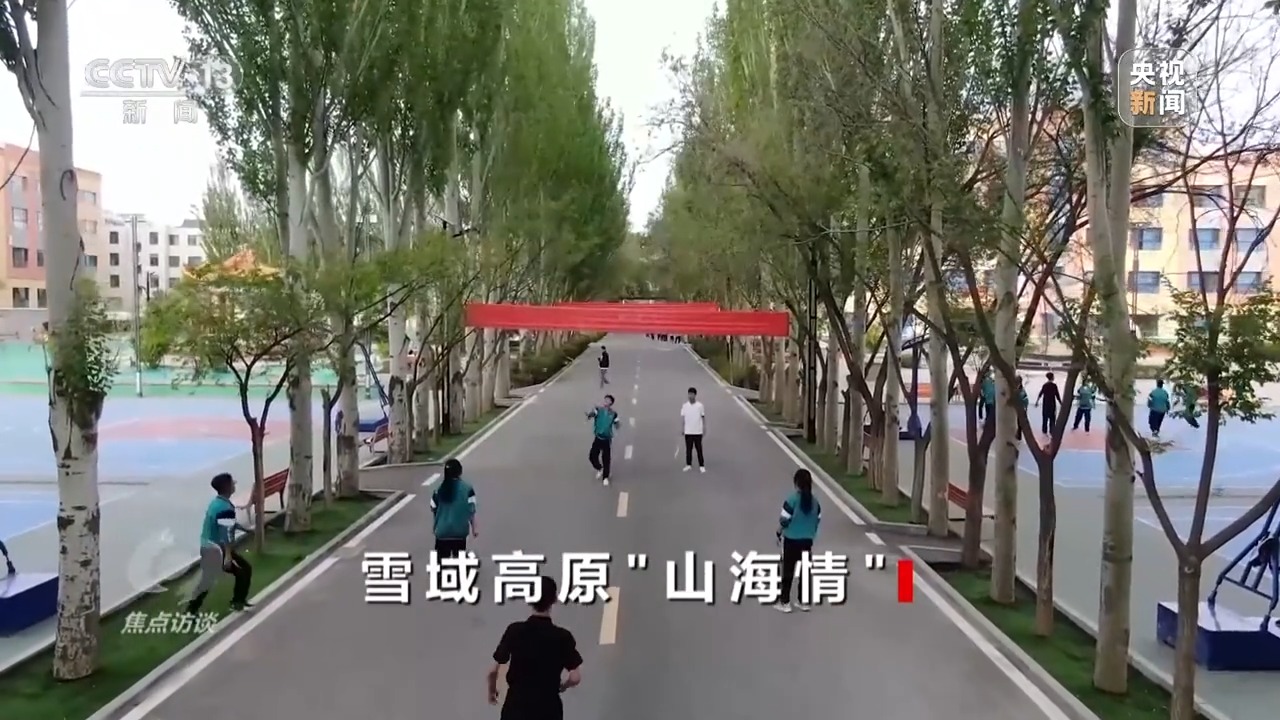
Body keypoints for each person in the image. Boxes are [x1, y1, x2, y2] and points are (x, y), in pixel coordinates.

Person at [487, 575, 583, 720]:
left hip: (516, 708)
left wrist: (492, 692)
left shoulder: (515, 630)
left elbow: (493, 671)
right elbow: (575, 677)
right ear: (554, 600)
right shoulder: (563, 637)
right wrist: (563, 686)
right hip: (549, 710)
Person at [186, 473, 253, 614]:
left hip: (210, 546)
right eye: (232, 483)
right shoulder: (225, 507)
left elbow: (227, 524)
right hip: (216, 549)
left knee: (209, 580)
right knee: (242, 572)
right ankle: (236, 603)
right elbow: (225, 534)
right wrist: (228, 556)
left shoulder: (217, 503)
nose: (234, 484)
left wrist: (244, 529)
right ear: (227, 487)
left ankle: (191, 610)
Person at [775, 469, 822, 613]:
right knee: (805, 571)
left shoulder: (792, 499)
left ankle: (785, 602)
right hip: (807, 541)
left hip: (791, 540)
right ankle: (804, 602)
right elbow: (817, 519)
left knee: (788, 571)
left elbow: (784, 520)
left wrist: (779, 532)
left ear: (796, 483)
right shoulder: (815, 502)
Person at [430, 458, 477, 558]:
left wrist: (436, 525)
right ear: (460, 472)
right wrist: (474, 529)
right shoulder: (468, 489)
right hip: (460, 532)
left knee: (441, 560)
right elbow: (471, 511)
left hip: (442, 532)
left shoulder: (438, 490)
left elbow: (433, 508)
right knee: (459, 557)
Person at [586, 395, 620, 485]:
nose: (605, 402)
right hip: (598, 438)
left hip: (607, 439)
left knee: (606, 459)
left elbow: (617, 423)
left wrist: (617, 425)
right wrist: (590, 415)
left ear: (611, 403)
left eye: (608, 400)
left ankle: (605, 477)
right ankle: (599, 468)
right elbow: (593, 413)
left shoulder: (613, 414)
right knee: (592, 456)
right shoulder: (598, 410)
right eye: (605, 400)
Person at [681, 386, 706, 473]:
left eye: (692, 394)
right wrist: (682, 428)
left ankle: (701, 465)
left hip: (697, 431)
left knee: (699, 449)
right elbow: (683, 418)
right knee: (688, 449)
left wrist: (704, 428)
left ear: (695, 395)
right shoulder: (685, 406)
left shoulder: (700, 406)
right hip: (688, 431)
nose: (690, 396)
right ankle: (688, 464)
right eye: (689, 394)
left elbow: (703, 417)